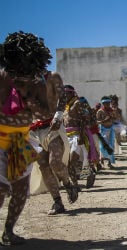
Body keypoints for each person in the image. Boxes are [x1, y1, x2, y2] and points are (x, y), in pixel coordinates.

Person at [0, 31, 54, 245]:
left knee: (21, 189)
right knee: (1, 189)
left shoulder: (38, 83)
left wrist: (31, 101)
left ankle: (8, 231)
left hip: (20, 142)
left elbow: (46, 114)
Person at [29, 67, 78, 216]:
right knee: (43, 166)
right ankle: (57, 201)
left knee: (54, 162)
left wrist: (58, 114)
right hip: (34, 130)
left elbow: (63, 97)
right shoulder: (24, 81)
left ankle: (68, 184)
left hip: (53, 126)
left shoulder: (52, 77)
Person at [64, 87, 99, 189]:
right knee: (69, 162)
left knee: (72, 161)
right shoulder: (65, 106)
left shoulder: (77, 103)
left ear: (72, 94)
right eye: (63, 93)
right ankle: (77, 183)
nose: (65, 95)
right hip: (66, 136)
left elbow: (84, 119)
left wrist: (80, 135)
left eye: (67, 93)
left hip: (77, 135)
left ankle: (78, 182)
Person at [96, 96, 116, 168]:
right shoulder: (100, 111)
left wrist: (112, 117)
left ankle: (109, 162)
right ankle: (101, 161)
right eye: (105, 103)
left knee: (111, 146)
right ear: (103, 104)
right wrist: (104, 120)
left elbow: (115, 119)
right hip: (103, 130)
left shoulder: (112, 110)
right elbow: (96, 122)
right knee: (103, 146)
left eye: (108, 103)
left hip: (111, 130)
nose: (107, 105)